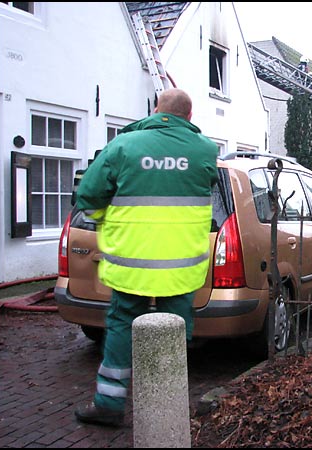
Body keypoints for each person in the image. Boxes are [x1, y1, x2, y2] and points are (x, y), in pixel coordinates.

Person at [73, 88, 218, 427]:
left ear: (156, 110)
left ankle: (109, 403)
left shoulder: (123, 146)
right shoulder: (205, 150)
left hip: (130, 260)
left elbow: (89, 196)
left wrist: (101, 220)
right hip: (181, 264)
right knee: (175, 328)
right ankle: (166, 401)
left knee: (122, 324)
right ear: (190, 116)